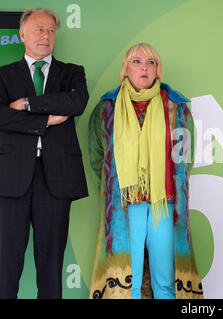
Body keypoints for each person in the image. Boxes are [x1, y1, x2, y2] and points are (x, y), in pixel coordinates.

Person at [88, 43, 203, 299]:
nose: (144, 67)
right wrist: (110, 190)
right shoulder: (107, 108)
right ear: (125, 69)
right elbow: (97, 155)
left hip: (164, 203)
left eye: (150, 62)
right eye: (137, 61)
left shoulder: (176, 108)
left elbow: (186, 155)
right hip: (125, 205)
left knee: (165, 279)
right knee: (128, 282)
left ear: (157, 70)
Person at [0, 8, 89, 299]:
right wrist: (46, 118)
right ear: (22, 34)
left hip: (56, 179)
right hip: (11, 179)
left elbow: (75, 102)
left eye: (51, 30)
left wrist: (26, 103)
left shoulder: (72, 72)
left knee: (51, 265)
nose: (45, 36)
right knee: (5, 265)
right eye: (39, 29)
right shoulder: (3, 76)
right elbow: (2, 117)